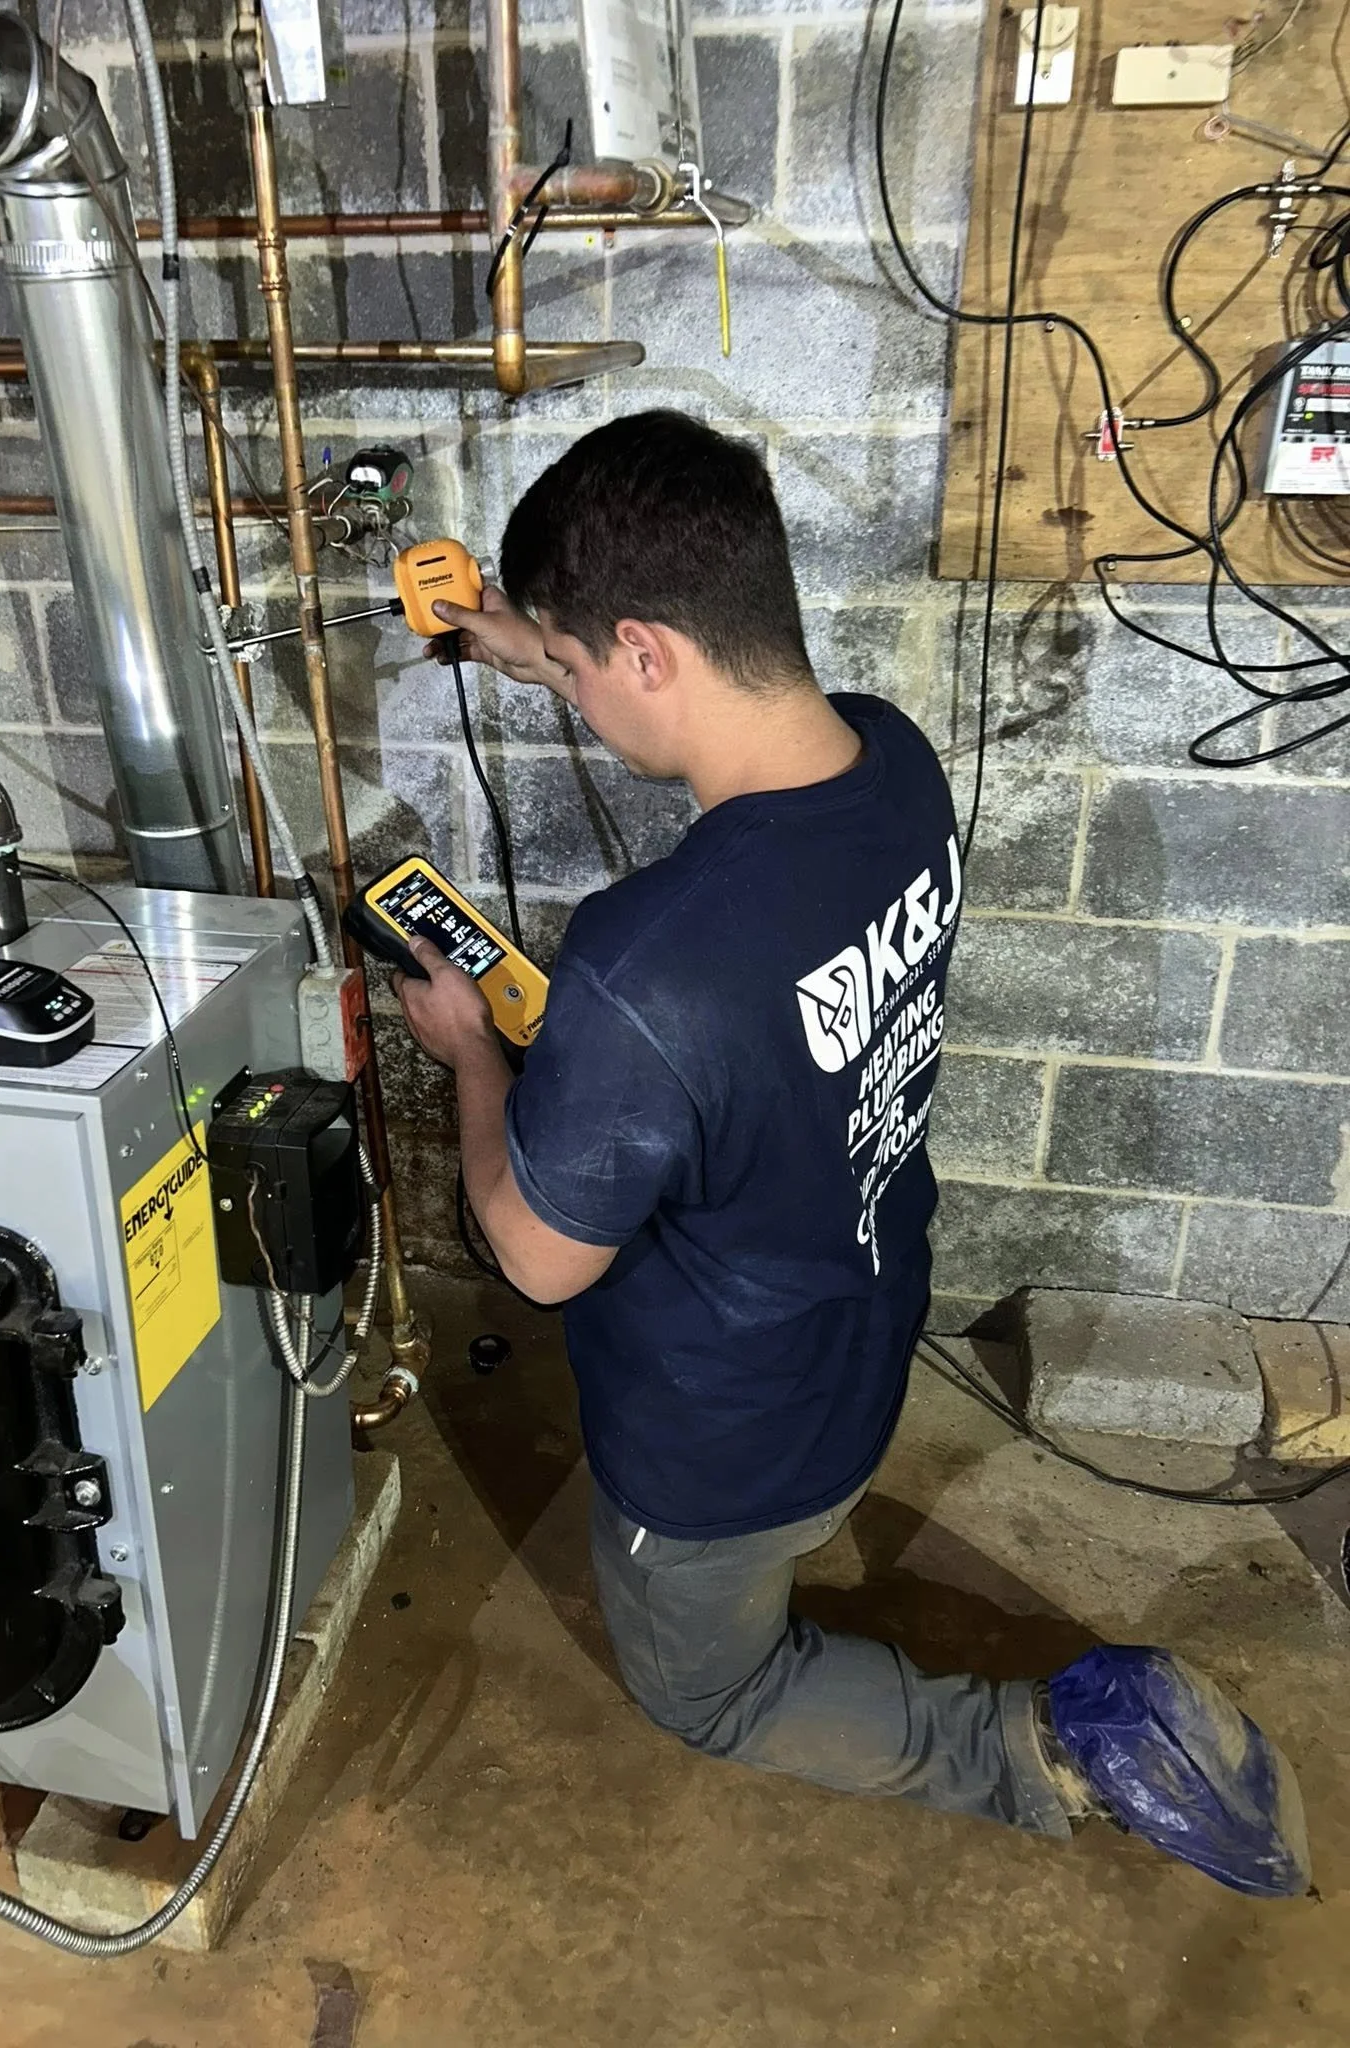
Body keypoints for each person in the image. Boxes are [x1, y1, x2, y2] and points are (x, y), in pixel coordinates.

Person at [390, 410, 1309, 1899]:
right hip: (865, 1346)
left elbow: (541, 1255)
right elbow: (716, 794)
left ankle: (1044, 1752)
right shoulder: (891, 765)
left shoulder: (643, 971)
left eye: (573, 664)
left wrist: (479, 1062)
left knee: (712, 1692)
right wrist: (517, 637)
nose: (563, 684)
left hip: (718, 1449)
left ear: (646, 651)